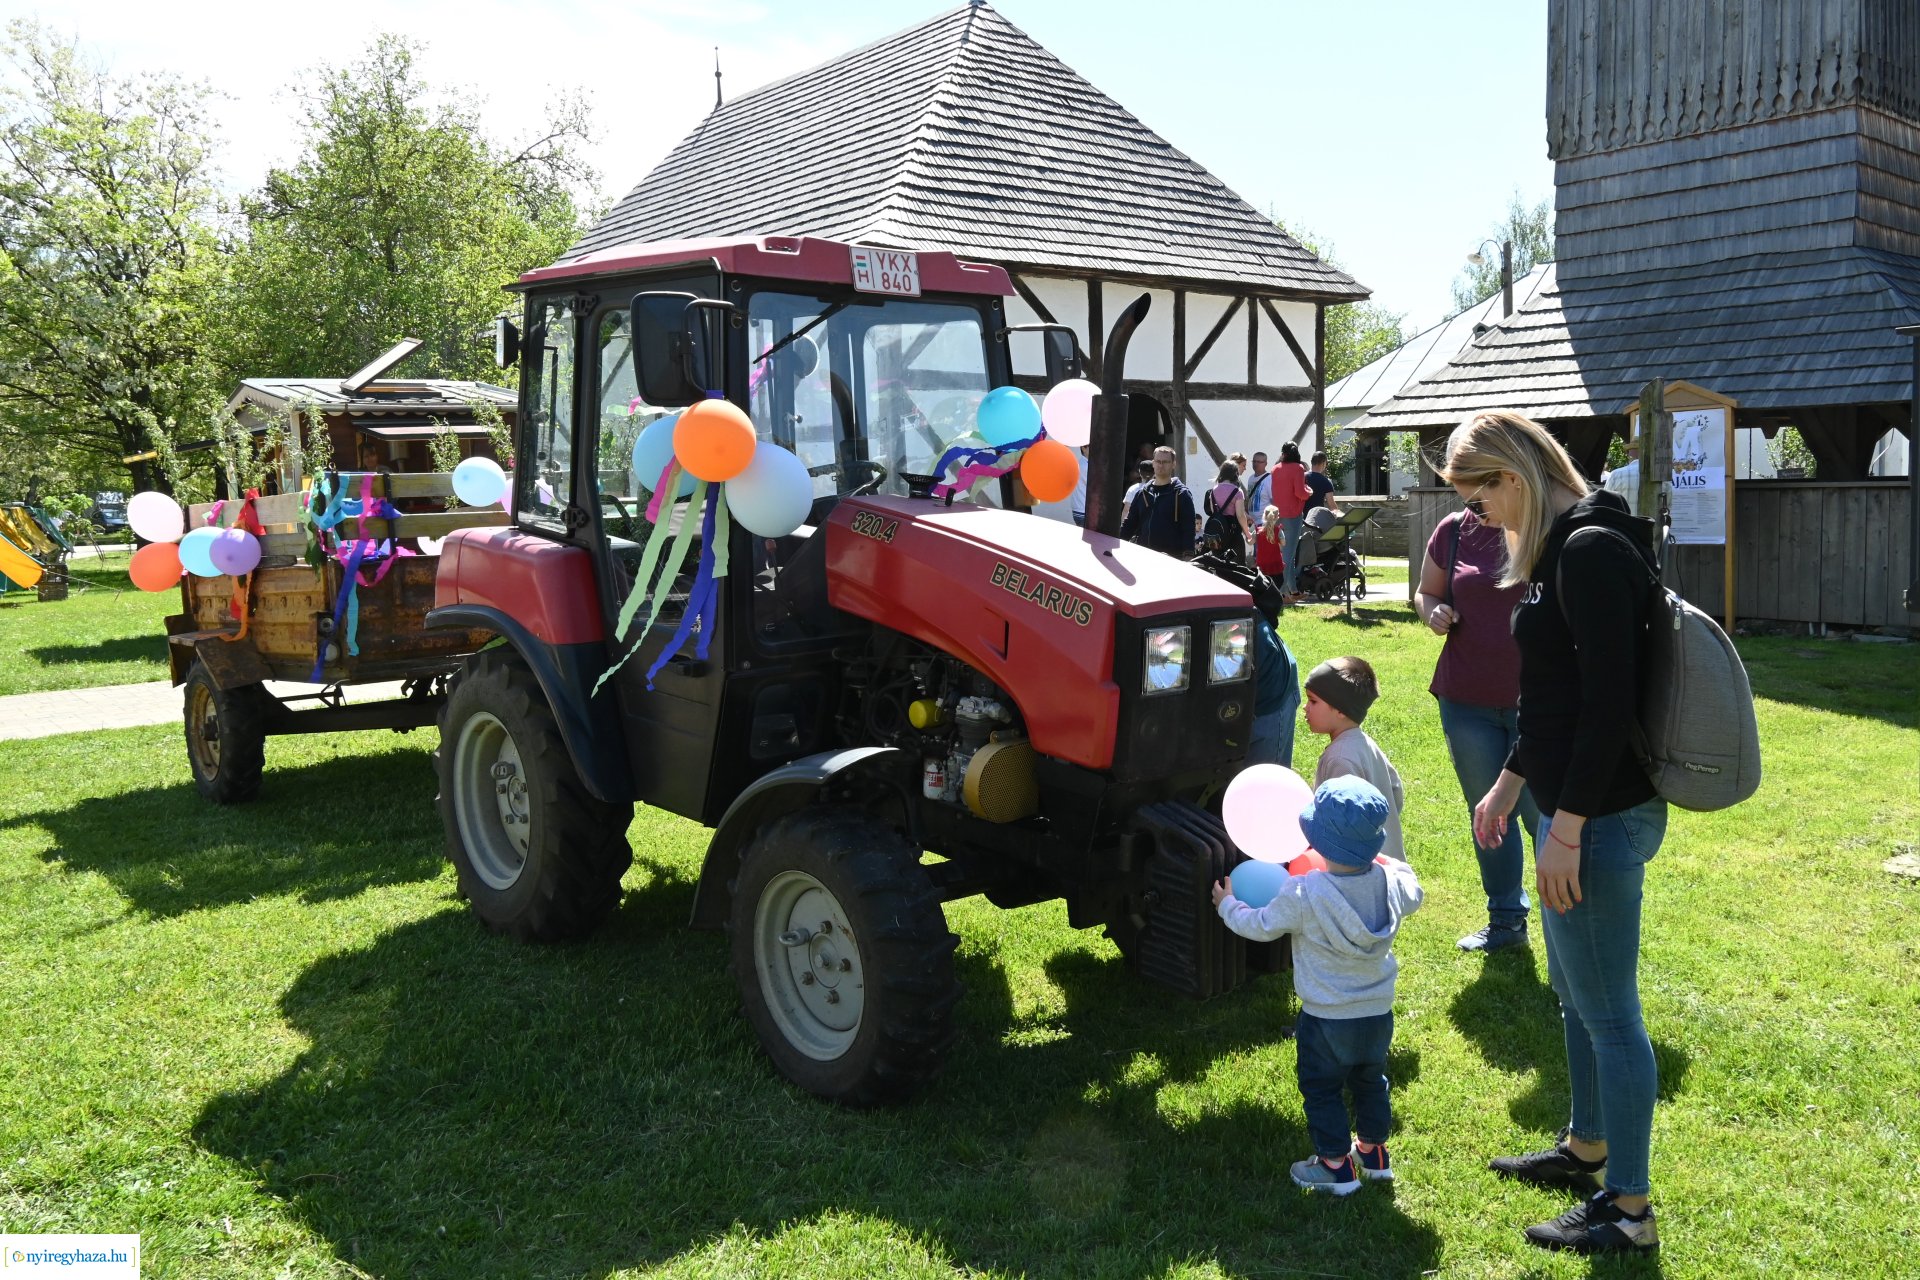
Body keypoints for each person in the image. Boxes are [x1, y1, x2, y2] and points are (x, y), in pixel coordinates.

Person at [1440, 409, 1666, 1257]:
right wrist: (1506, 790)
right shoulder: (1561, 545)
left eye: (1480, 495)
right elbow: (1555, 697)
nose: (1478, 516)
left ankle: (1629, 1211)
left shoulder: (1590, 548)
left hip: (1601, 813)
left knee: (1610, 1015)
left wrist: (1564, 826)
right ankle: (1586, 1147)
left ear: (1515, 474)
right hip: (1572, 805)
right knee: (1576, 999)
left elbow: (1610, 704)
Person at [1212, 777, 1424, 1195]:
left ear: (1317, 842)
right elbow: (1411, 880)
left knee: (1322, 1088)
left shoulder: (1304, 891)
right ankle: (1374, 1154)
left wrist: (1227, 905)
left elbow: (1260, 926)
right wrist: (1379, 855)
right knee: (1371, 1080)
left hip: (1326, 1018)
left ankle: (1334, 1168)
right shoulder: (1392, 885)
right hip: (1377, 1014)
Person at [1413, 500, 1541, 953]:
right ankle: (1506, 921)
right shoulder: (1452, 530)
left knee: (1541, 815)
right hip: (1466, 700)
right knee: (1488, 814)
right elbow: (1426, 591)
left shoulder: (1539, 522)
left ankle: (1571, 923)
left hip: (1539, 705)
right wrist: (1431, 612)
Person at [1304, 657, 1406, 863]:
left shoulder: (1340, 759)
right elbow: (1396, 791)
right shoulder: (1365, 743)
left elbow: (1341, 823)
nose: (1305, 707)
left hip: (1359, 871)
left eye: (1313, 701)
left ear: (1341, 710)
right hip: (1389, 864)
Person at [1119, 446, 1197, 560]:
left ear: (1173, 464)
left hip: (1172, 559)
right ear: (1153, 463)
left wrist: (1188, 556)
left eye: (1165, 462)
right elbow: (1129, 524)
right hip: (1144, 557)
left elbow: (1188, 529)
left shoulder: (1182, 494)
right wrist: (1114, 545)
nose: (1161, 465)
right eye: (1158, 461)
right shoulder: (1142, 493)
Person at [1269, 442, 1314, 596]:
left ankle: (1293, 590)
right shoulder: (1298, 468)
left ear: (1283, 453)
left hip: (1277, 516)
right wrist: (1309, 492)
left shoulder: (1275, 469)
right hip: (1292, 515)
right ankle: (1281, 592)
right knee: (1288, 555)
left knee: (1286, 553)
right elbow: (1300, 493)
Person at [1203, 461, 1253, 561]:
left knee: (1219, 569)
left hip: (1218, 537)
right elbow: (1240, 515)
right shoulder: (1237, 491)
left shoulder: (1213, 490)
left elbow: (1214, 512)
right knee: (1238, 569)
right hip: (1233, 535)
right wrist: (1247, 533)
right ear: (1235, 474)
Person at [1602, 438, 1642, 517]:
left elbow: (1605, 505)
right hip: (1651, 527)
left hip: (1623, 527)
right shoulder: (1659, 478)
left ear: (1629, 455)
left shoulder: (1615, 475)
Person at [1254, 505, 1287, 579]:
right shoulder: (1278, 530)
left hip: (1262, 563)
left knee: (1263, 584)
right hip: (1275, 563)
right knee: (1277, 583)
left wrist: (1248, 535)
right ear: (1277, 517)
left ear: (1264, 516)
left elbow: (1250, 542)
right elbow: (1284, 543)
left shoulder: (1258, 531)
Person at [1070, 445, 1089, 528]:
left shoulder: (1081, 463)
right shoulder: (1085, 466)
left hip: (1079, 509)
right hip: (1083, 510)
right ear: (1083, 448)